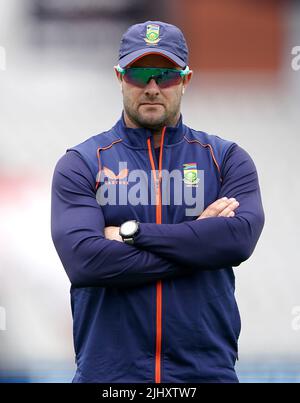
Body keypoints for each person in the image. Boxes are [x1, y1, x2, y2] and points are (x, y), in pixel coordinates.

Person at [51, 20, 264, 383]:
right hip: (109, 377)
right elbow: (87, 263)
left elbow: (239, 240)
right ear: (120, 77)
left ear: (186, 79)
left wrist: (133, 233)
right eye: (140, 73)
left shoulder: (226, 159)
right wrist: (198, 241)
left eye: (165, 75)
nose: (152, 87)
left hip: (204, 374)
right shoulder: (82, 162)